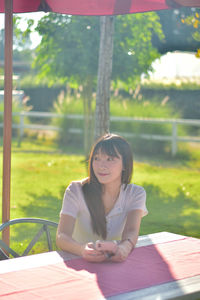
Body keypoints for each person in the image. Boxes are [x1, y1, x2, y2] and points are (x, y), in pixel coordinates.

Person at [56, 133, 148, 262]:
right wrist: (82, 250)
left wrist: (123, 249)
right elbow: (62, 236)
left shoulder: (135, 193)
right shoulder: (75, 190)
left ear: (125, 164)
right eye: (97, 158)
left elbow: (131, 231)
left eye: (110, 159)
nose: (101, 166)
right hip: (78, 262)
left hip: (114, 265)